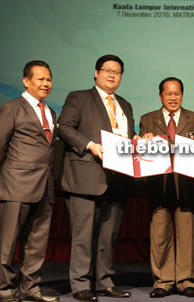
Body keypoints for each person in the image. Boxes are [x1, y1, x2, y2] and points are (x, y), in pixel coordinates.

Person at [57, 54, 136, 301]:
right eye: (107, 70)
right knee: (83, 237)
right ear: (96, 73)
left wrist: (137, 142)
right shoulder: (79, 97)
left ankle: (104, 282)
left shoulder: (125, 104)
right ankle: (81, 284)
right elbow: (64, 128)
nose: (112, 75)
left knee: (107, 237)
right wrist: (90, 144)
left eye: (117, 72)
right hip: (86, 176)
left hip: (118, 178)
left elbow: (126, 137)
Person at [0, 60, 59, 302]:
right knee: (9, 243)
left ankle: (30, 289)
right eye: (40, 79)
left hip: (46, 186)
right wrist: (5, 177)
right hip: (16, 184)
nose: (46, 83)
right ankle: (6, 291)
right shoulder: (12, 108)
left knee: (37, 243)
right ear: (26, 81)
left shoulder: (51, 112)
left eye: (48, 79)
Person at [138, 77, 194, 298]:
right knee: (160, 234)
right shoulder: (147, 119)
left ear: (182, 95)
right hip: (159, 185)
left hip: (187, 184)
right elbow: (140, 150)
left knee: (187, 234)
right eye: (168, 94)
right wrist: (143, 140)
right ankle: (162, 281)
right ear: (161, 96)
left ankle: (187, 281)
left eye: (177, 93)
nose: (173, 98)